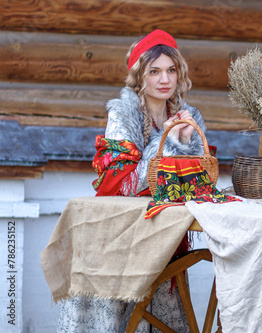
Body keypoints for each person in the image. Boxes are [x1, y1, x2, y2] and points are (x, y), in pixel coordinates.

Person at [57, 29, 203, 333]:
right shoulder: (122, 116)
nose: (165, 80)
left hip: (164, 233)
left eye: (171, 70)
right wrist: (166, 142)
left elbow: (197, 182)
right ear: (140, 76)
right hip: (120, 233)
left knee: (163, 315)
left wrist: (188, 143)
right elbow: (125, 186)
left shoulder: (189, 117)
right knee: (119, 320)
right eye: (155, 72)